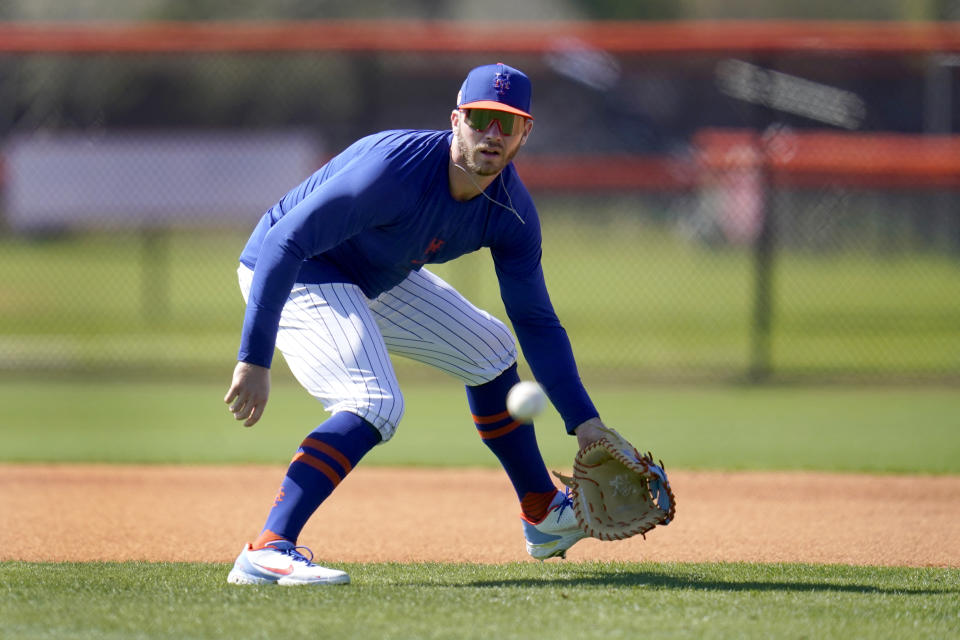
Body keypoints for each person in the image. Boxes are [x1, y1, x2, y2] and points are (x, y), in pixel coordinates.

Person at [224, 62, 612, 586]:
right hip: (299, 268)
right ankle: (268, 549)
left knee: (492, 348)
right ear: (456, 120)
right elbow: (284, 242)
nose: (491, 135)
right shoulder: (394, 171)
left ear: (527, 133)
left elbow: (534, 320)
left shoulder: (511, 211)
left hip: (376, 276)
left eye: (508, 123)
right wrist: (254, 357)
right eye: (480, 118)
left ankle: (543, 513)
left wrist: (585, 422)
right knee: (374, 402)